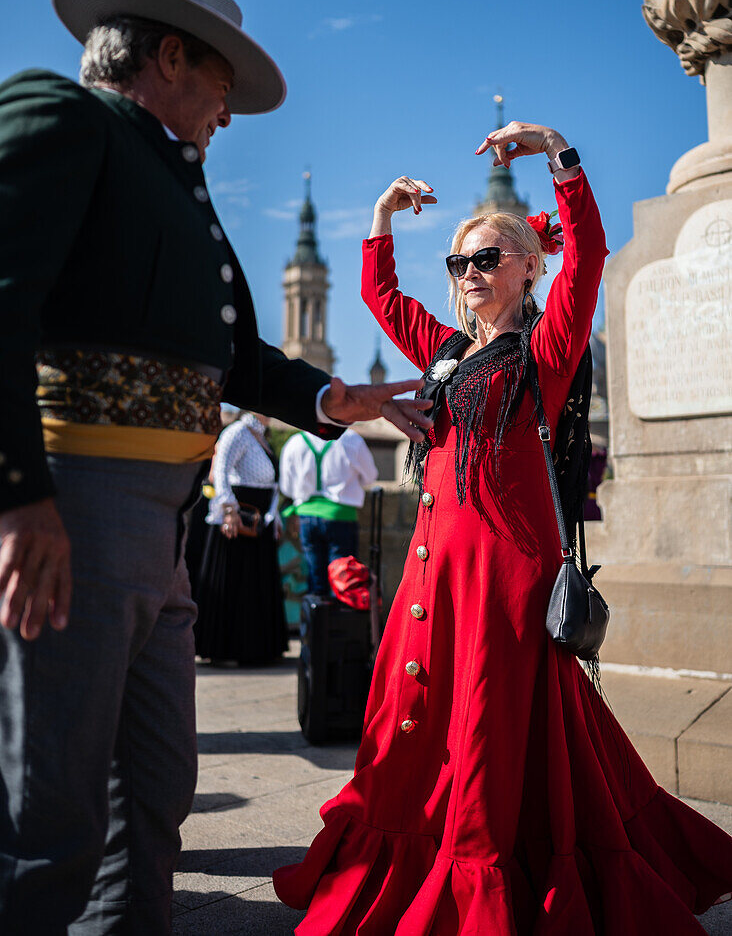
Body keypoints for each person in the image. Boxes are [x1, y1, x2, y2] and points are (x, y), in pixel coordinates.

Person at [0, 0, 433, 936]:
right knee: (48, 807)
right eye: (223, 86)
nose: (228, 116)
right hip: (75, 501)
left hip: (162, 517)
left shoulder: (178, 182)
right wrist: (19, 494)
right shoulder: (66, 120)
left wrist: (330, 395)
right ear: (168, 57)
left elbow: (237, 356)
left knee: (153, 785)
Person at [274, 122, 732, 933]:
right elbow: (382, 299)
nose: (473, 272)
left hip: (502, 583)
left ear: (527, 266)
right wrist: (382, 214)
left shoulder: (544, 351)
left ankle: (495, 875)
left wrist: (560, 156)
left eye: (490, 257)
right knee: (422, 726)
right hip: (433, 578)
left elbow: (587, 258)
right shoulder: (446, 353)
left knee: (492, 734)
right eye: (461, 262)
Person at [193, 411, 288, 665]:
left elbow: (273, 484)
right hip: (239, 518)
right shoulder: (237, 432)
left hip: (259, 522)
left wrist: (274, 517)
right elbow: (220, 469)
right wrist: (228, 510)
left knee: (253, 587)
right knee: (234, 584)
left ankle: (254, 649)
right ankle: (225, 649)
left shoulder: (261, 436)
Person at [279, 427, 378, 596]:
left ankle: (315, 622)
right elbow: (370, 476)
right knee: (342, 582)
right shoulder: (351, 439)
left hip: (307, 517)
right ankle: (339, 622)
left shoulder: (294, 442)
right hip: (341, 515)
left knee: (314, 579)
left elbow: (287, 488)